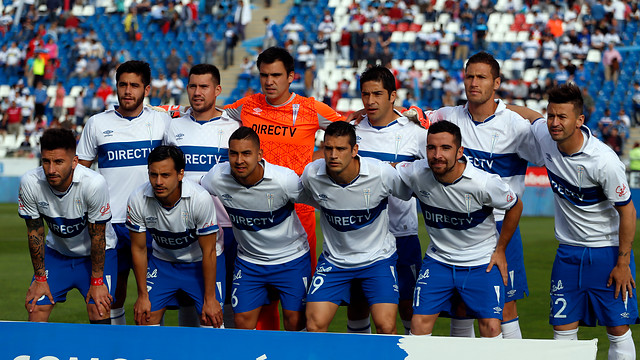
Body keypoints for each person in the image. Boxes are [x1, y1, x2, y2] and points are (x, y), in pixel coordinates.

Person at [224, 46, 345, 330]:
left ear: (291, 76)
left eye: (276, 75)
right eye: (264, 75)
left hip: (299, 216)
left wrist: (316, 162)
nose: (269, 82)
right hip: (256, 218)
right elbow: (210, 115)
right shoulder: (246, 106)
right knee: (263, 312)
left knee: (300, 312)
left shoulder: (311, 109)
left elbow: (346, 132)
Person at [424, 52, 541, 339]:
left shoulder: (514, 124)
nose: (474, 82)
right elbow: (411, 117)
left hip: (501, 225)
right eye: (469, 76)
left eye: (482, 77)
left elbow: (542, 146)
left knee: (506, 307)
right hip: (457, 224)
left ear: (497, 82)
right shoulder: (448, 116)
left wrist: (520, 110)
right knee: (460, 307)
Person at [525, 84, 638, 359]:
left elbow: (628, 211)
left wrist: (623, 263)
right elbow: (529, 116)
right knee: (562, 333)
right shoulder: (546, 135)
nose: (554, 123)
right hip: (567, 253)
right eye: (551, 115)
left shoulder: (604, 161)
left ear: (579, 120)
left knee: (618, 329)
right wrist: (499, 106)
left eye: (562, 117)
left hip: (607, 253)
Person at [396, 120, 523, 337]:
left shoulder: (483, 183)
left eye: (445, 148)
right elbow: (383, 172)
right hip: (439, 261)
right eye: (431, 148)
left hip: (481, 262)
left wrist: (500, 250)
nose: (437, 155)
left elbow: (515, 205)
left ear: (459, 151)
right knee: (418, 325)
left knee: (492, 327)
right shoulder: (417, 173)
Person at [77, 60, 171, 325]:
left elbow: (176, 166)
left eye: (134, 85)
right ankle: (113, 351)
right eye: (123, 85)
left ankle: (149, 352)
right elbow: (80, 173)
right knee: (109, 298)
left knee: (150, 301)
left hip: (149, 223)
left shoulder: (161, 121)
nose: (128, 91)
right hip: (108, 225)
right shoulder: (97, 123)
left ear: (147, 89)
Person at [300, 121, 413, 334]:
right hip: (335, 261)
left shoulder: (380, 173)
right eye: (328, 148)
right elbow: (303, 197)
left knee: (386, 326)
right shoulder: (312, 176)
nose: (333, 155)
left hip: (377, 259)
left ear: (354, 150)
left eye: (340, 149)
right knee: (314, 325)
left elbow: (406, 193)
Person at [201, 127, 310, 331]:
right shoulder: (216, 177)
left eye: (246, 153)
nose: (239, 160)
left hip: (291, 259)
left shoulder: (284, 180)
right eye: (233, 153)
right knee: (241, 322)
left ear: (260, 155)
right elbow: (197, 192)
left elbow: (320, 200)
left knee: (296, 322)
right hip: (249, 262)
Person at [349, 66, 427, 335]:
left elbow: (432, 173)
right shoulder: (353, 131)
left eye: (377, 94)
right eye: (365, 94)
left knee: (407, 306)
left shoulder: (415, 134)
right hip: (359, 234)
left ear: (393, 95)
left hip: (401, 233)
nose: (370, 101)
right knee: (358, 304)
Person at [163, 63, 240, 327]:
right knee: (189, 295)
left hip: (228, 224)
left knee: (226, 298)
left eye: (204, 87)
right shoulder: (172, 128)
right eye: (193, 86)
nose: (197, 92)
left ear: (217, 90)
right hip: (184, 225)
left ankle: (224, 351)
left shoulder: (234, 127)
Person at [18, 128, 117, 323]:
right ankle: (40, 353)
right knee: (35, 308)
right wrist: (39, 279)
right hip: (58, 254)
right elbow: (35, 232)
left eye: (59, 162)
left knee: (99, 309)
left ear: (74, 162)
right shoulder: (30, 182)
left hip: (96, 256)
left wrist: (97, 281)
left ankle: (100, 353)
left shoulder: (93, 184)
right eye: (46, 161)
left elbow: (98, 236)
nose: (51, 169)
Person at [126, 145, 222, 327]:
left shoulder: (200, 198)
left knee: (211, 320)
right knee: (144, 318)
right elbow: (138, 249)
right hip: (163, 262)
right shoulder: (137, 198)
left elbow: (209, 251)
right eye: (153, 175)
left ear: (180, 174)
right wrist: (142, 296)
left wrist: (210, 299)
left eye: (166, 175)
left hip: (199, 262)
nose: (158, 182)